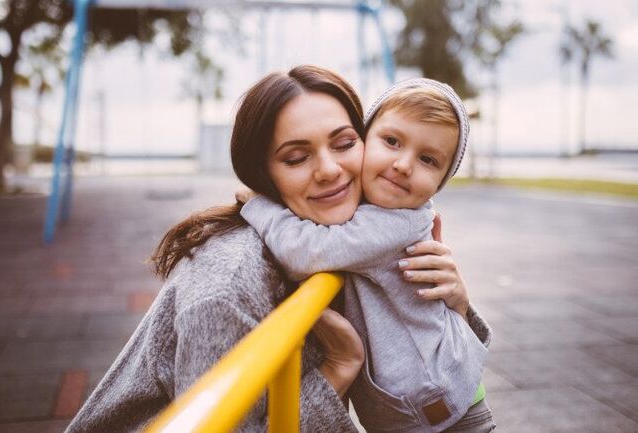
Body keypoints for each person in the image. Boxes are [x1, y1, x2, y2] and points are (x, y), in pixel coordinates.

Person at [64, 66, 488, 433]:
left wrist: (456, 300)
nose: (329, 170)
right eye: (295, 157)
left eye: (343, 143)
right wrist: (336, 370)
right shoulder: (228, 287)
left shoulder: (359, 227)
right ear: (261, 172)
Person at [238, 78, 494, 432]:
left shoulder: (393, 223)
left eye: (428, 159)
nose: (403, 164)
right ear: (366, 138)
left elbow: (307, 251)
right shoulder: (378, 210)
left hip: (438, 411)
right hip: (444, 388)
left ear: (439, 184)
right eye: (391, 141)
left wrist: (260, 206)